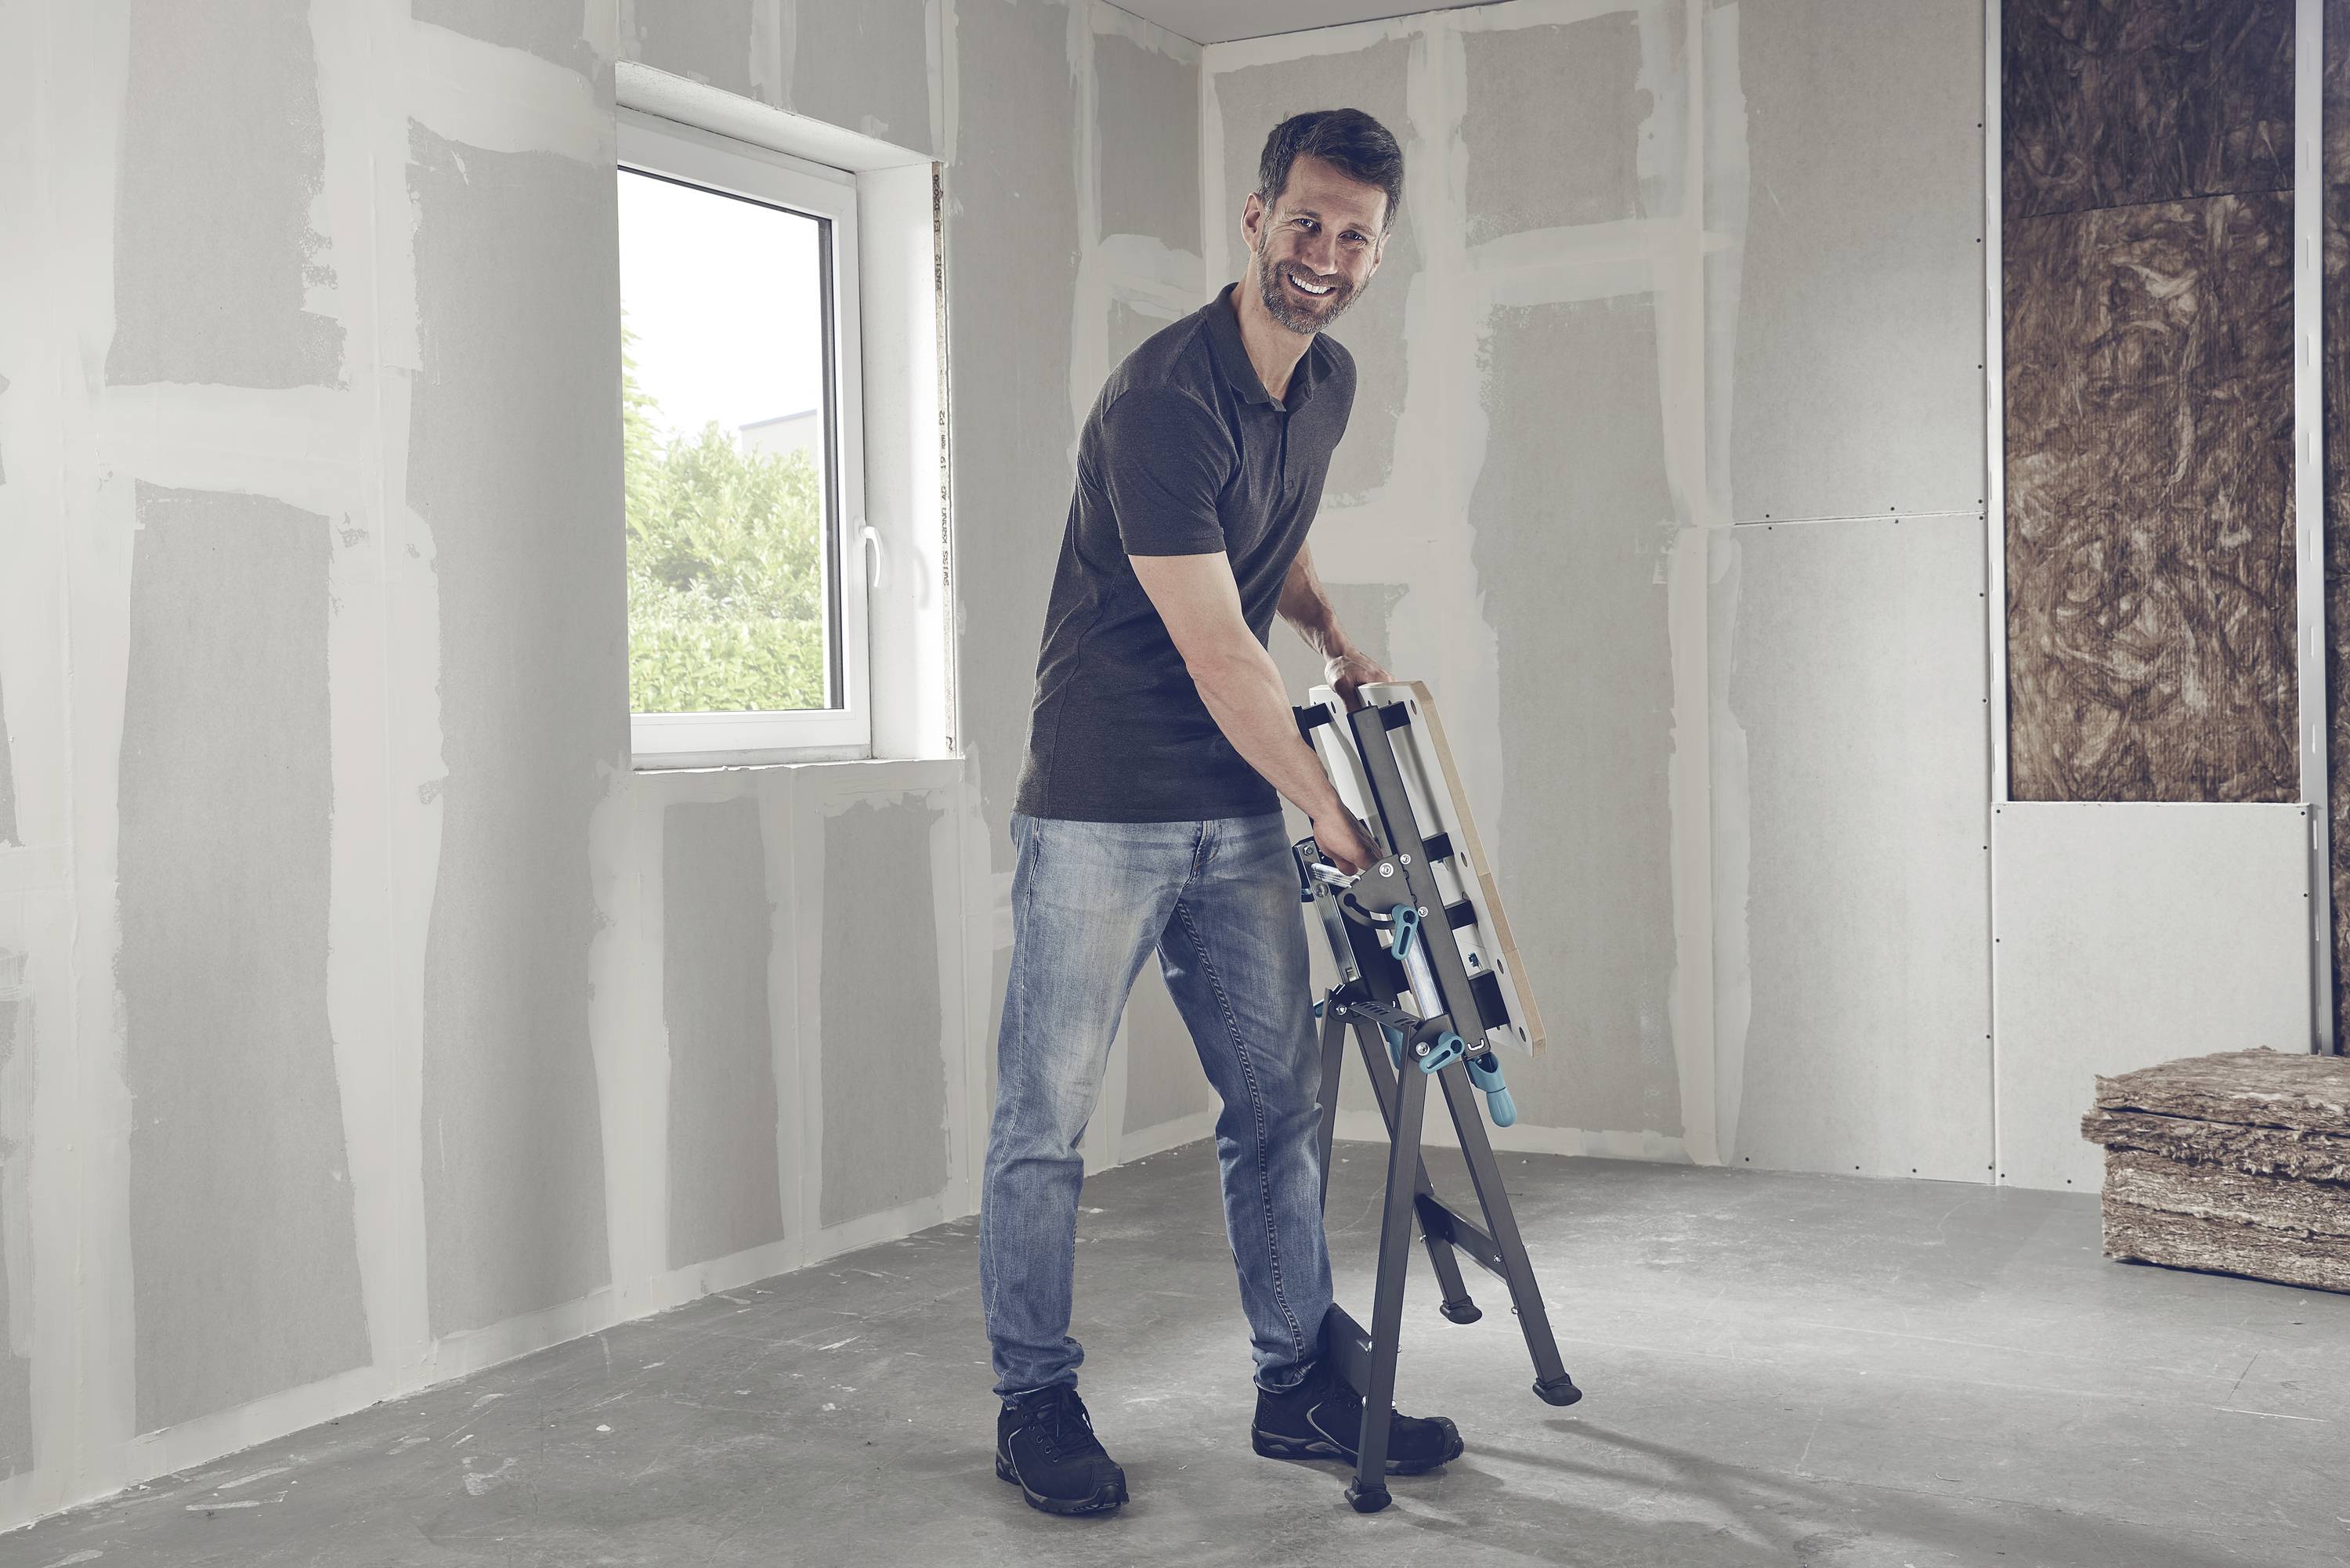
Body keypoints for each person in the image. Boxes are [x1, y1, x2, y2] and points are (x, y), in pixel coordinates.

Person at [980, 107, 1462, 1518]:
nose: (1323, 254)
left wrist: (1324, 618)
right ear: (1255, 219)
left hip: (1230, 805)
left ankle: (1296, 1385)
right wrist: (1331, 809)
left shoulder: (1326, 383)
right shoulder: (1161, 402)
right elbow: (1210, 646)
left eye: (1353, 235)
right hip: (1104, 804)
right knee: (1044, 1124)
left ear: (1381, 252)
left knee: (1273, 1107)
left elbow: (1274, 524)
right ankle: (1034, 1401)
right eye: (1303, 221)